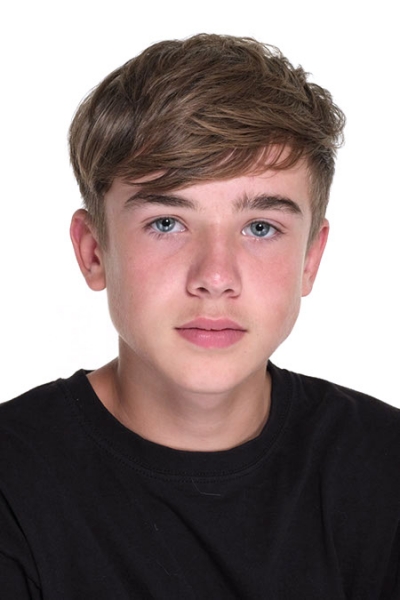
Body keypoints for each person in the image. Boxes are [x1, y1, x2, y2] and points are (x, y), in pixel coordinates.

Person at [1, 33, 399, 599]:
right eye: (166, 223)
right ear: (94, 252)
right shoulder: (14, 483)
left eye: (260, 228)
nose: (215, 275)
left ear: (310, 260)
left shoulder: (384, 471)